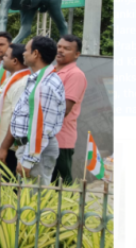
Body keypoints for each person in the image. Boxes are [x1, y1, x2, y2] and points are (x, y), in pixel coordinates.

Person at [11, 36, 65, 182]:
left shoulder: (44, 85)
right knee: (29, 198)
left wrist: (28, 160)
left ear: (36, 54)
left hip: (36, 152)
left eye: (26, 50)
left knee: (34, 200)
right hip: (32, 149)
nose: (23, 53)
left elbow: (41, 127)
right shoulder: (40, 79)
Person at [0, 43, 30, 176]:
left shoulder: (22, 83)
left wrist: (4, 148)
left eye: (6, 56)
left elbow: (17, 118)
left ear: (15, 60)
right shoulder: (12, 78)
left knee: (4, 184)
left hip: (5, 145)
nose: (2, 58)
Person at [52, 34, 87, 185]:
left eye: (67, 49)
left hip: (61, 139)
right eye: (59, 47)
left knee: (62, 184)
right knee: (48, 182)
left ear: (77, 54)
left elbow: (64, 109)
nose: (60, 50)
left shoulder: (75, 75)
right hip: (47, 137)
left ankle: (70, 208)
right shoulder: (51, 70)